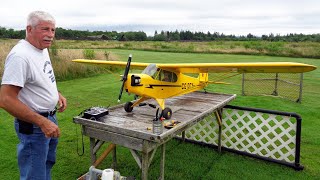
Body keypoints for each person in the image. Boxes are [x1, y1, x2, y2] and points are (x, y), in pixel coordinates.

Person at [0, 11, 67, 180]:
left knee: (46, 165)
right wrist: (42, 122)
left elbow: (40, 77)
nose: (51, 35)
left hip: (48, 118)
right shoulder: (20, 56)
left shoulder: (41, 48)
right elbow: (5, 99)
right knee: (34, 174)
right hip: (35, 126)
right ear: (29, 29)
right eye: (45, 29)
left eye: (53, 30)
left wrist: (55, 94)